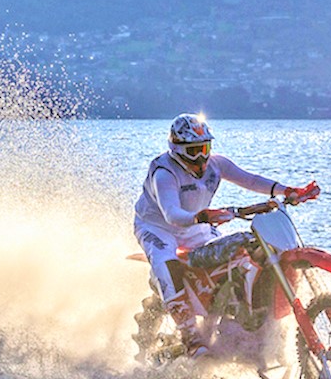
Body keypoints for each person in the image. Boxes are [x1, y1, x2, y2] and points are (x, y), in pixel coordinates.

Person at [134, 113, 319, 357]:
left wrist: (287, 190)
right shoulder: (164, 172)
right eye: (193, 150)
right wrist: (202, 216)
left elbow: (250, 180)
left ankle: (245, 314)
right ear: (177, 149)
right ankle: (190, 337)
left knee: (244, 249)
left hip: (198, 225)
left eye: (205, 147)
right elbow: (171, 214)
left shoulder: (216, 165)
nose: (201, 156)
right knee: (166, 264)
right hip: (158, 228)